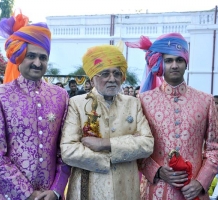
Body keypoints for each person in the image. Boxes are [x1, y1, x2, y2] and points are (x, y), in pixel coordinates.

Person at [0, 11, 70, 200]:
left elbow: (65, 149)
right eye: (31, 56)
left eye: (43, 57)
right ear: (19, 57)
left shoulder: (60, 96)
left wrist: (56, 190)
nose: (37, 63)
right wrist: (26, 194)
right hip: (6, 195)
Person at [126, 33, 218, 199]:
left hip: (193, 191)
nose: (174, 65)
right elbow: (136, 145)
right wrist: (157, 171)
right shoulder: (144, 100)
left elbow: (214, 148)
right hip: (156, 189)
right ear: (161, 64)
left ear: (186, 63)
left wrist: (201, 182)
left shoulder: (205, 101)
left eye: (179, 60)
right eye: (169, 60)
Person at [60, 44, 154, 199]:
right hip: (89, 188)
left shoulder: (133, 103)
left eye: (117, 73)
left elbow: (147, 144)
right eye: (105, 73)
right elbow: (68, 150)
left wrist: (106, 144)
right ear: (93, 77)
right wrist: (109, 159)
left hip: (125, 188)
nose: (112, 79)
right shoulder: (77, 103)